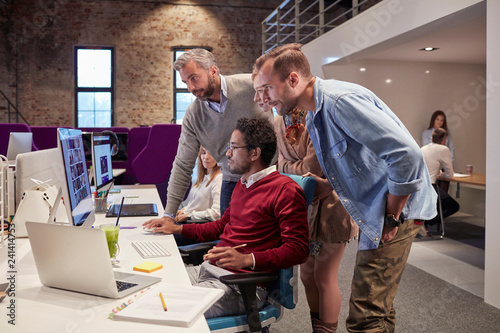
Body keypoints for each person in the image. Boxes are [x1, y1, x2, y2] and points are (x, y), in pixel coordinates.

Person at [255, 43, 437, 333]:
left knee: (365, 315)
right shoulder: (314, 114)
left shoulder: (340, 101)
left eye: (267, 88)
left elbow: (407, 156)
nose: (263, 97)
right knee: (379, 308)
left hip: (398, 211)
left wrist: (391, 217)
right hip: (377, 210)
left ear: (292, 79)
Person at [143, 118, 309, 319]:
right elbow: (221, 227)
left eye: (233, 147)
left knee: (164, 311)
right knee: (147, 289)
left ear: (255, 153)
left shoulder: (285, 190)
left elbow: (298, 250)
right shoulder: (243, 183)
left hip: (242, 287)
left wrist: (246, 259)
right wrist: (176, 228)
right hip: (209, 271)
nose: (227, 154)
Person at [253, 69, 358, 332]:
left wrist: (288, 167)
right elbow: (281, 166)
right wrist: (293, 167)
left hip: (331, 208)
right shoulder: (279, 121)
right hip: (302, 207)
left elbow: (316, 168)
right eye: (258, 91)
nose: (262, 97)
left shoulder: (314, 117)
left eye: (265, 89)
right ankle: (318, 327)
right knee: (307, 277)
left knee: (324, 277)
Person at [154, 49, 274, 230]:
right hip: (232, 181)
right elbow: (182, 164)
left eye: (194, 78)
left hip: (270, 178)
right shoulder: (194, 115)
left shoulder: (251, 86)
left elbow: (286, 107)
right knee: (228, 238)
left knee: (266, 240)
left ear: (213, 71)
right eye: (186, 82)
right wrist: (169, 214)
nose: (191, 88)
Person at [173, 146, 222, 246]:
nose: (206, 157)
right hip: (191, 222)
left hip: (200, 228)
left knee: (164, 235)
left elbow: (217, 213)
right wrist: (185, 210)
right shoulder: (203, 177)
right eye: (203, 153)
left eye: (211, 153)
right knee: (160, 227)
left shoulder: (219, 179)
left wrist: (189, 215)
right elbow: (198, 204)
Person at [421, 128, 460, 229]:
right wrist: (441, 174)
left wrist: (439, 173)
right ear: (444, 140)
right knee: (454, 206)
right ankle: (429, 221)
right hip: (430, 187)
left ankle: (425, 221)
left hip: (420, 187)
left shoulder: (423, 148)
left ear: (431, 138)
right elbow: (450, 174)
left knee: (440, 202)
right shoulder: (443, 149)